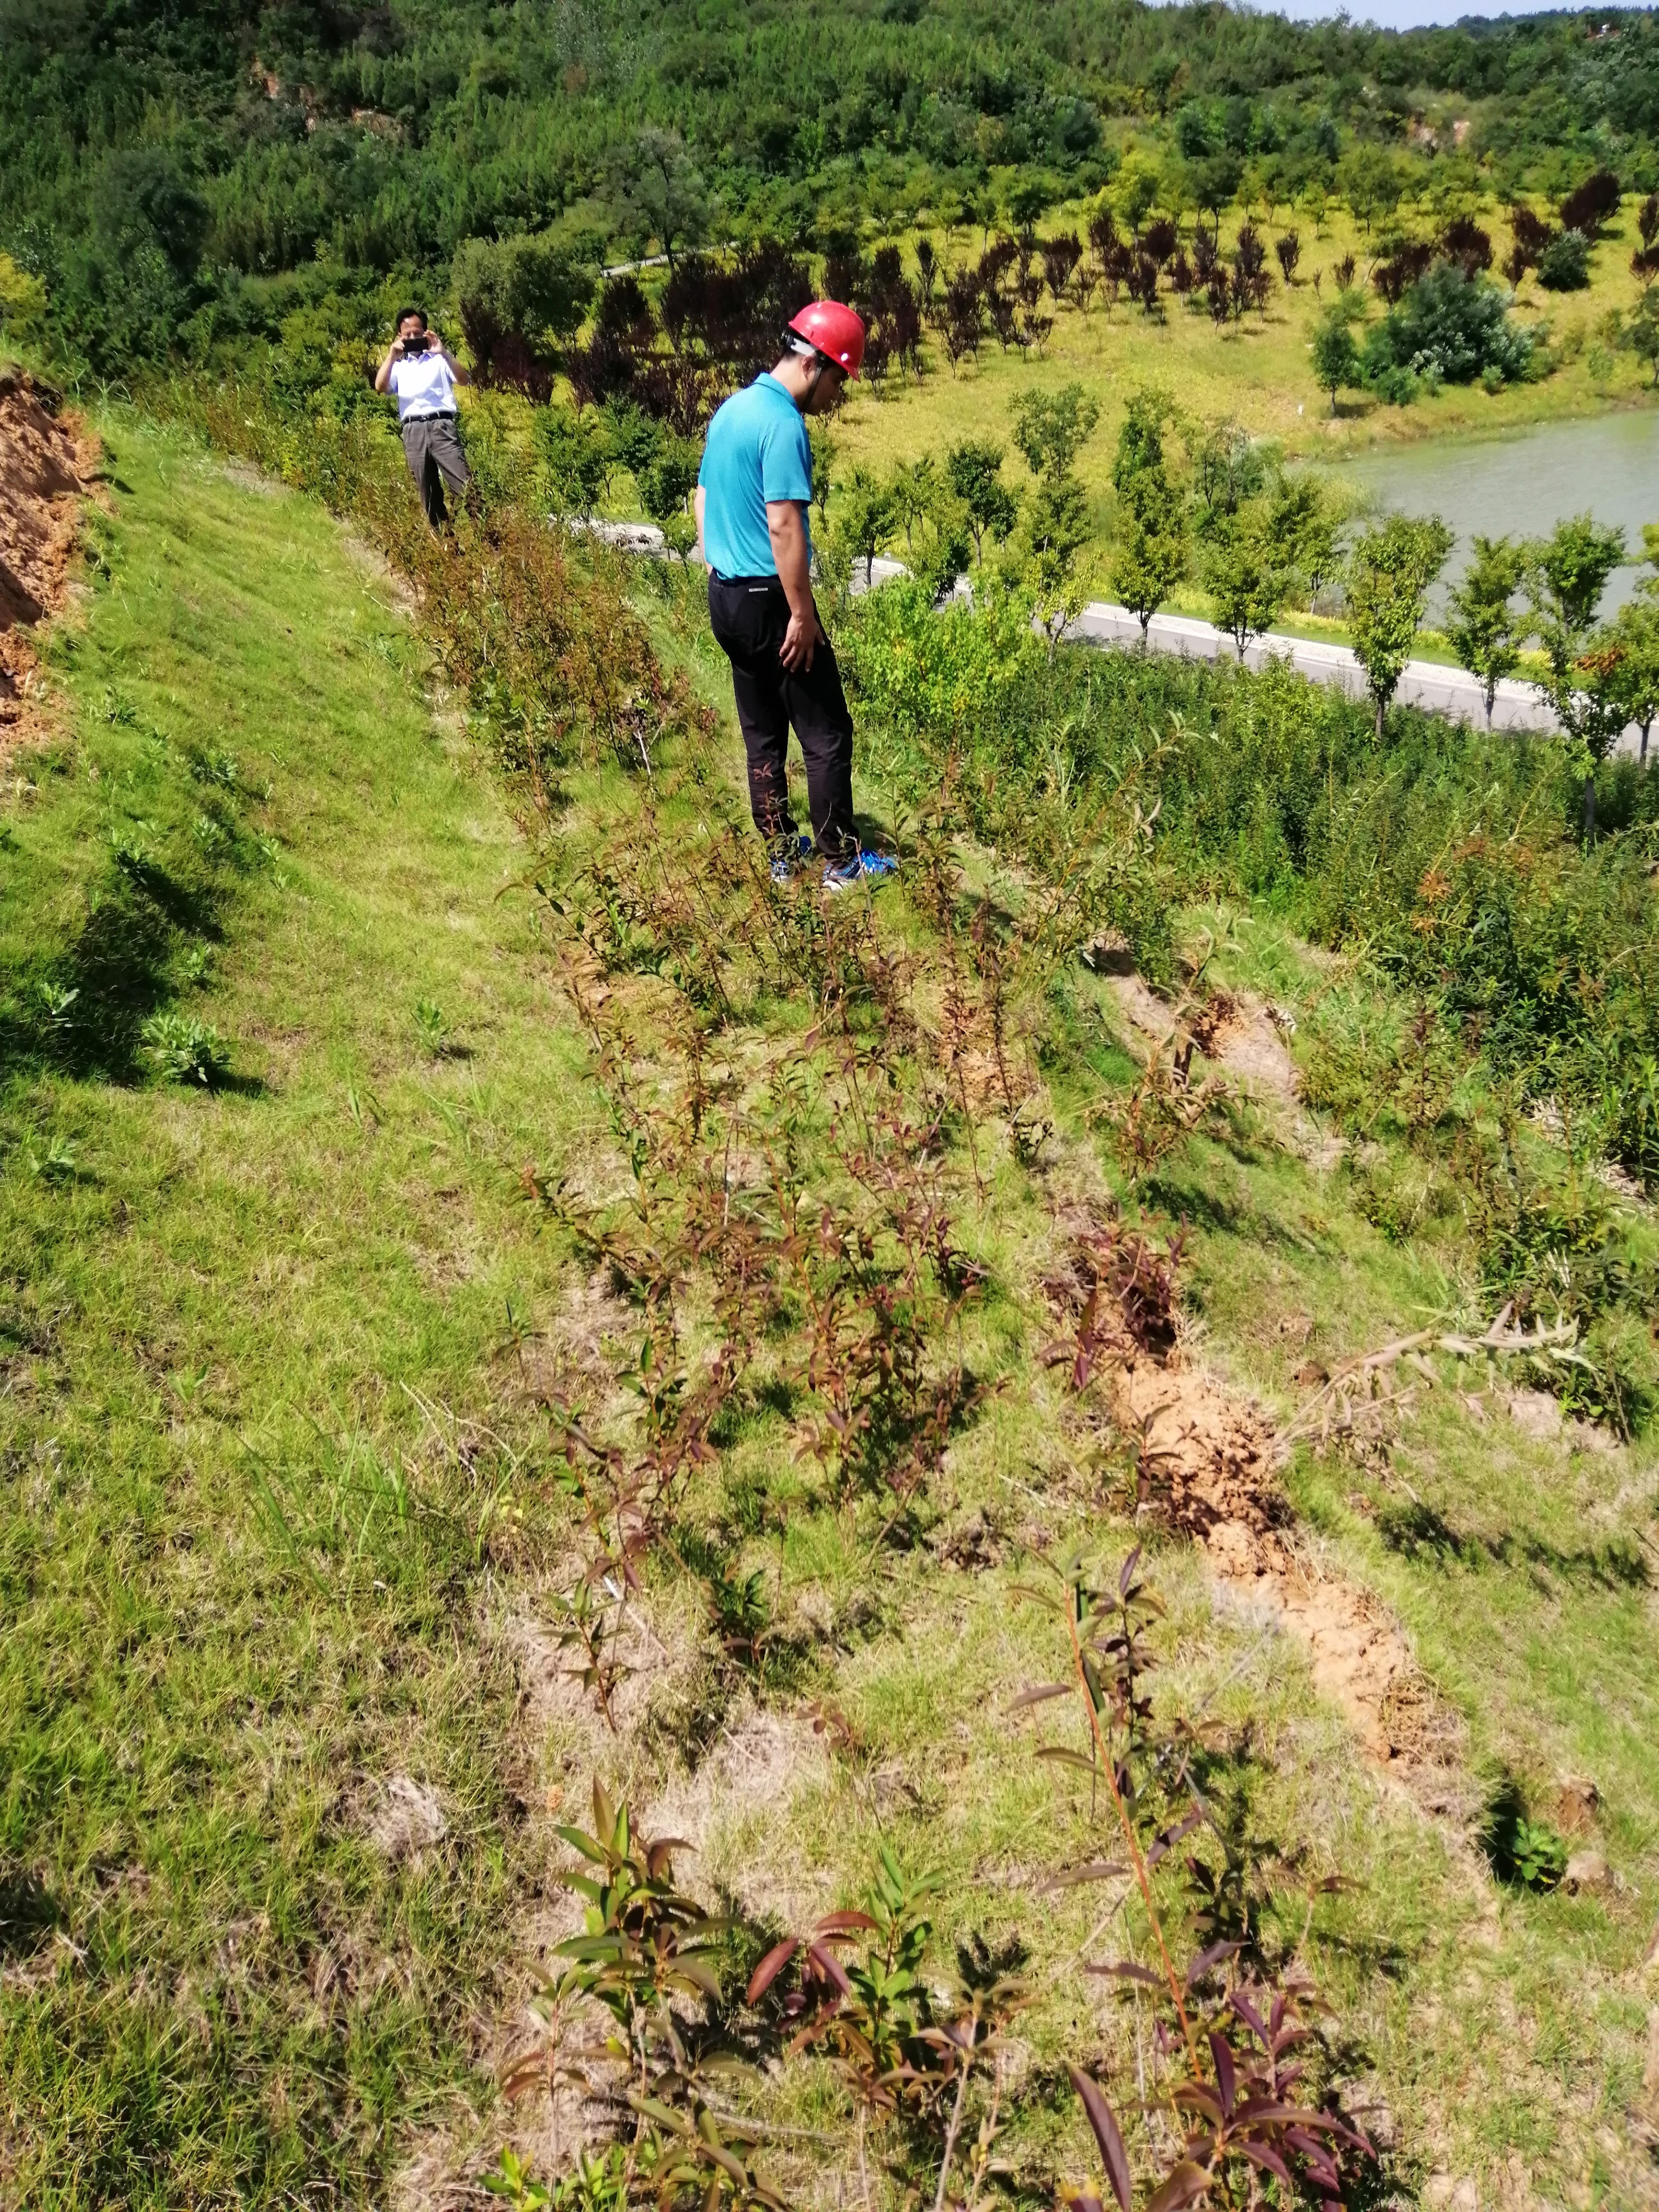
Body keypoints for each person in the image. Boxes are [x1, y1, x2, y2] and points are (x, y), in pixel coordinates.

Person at [695, 300, 896, 891]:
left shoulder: (733, 409)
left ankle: (782, 854)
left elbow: (703, 496)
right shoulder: (783, 423)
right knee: (827, 732)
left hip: (726, 597)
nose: (838, 396)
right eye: (839, 380)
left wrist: (716, 558)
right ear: (814, 364)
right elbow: (784, 524)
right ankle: (839, 862)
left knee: (761, 731)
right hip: (770, 604)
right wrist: (802, 615)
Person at [374, 309, 472, 528]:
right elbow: (380, 386)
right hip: (413, 431)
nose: (412, 338)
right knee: (428, 495)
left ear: (426, 333)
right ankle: (448, 549)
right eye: (406, 335)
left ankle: (493, 545)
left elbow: (464, 380)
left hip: (441, 427)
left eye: (416, 333)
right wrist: (391, 356)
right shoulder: (399, 367)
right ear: (399, 337)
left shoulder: (439, 360)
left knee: (465, 487)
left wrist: (444, 352)